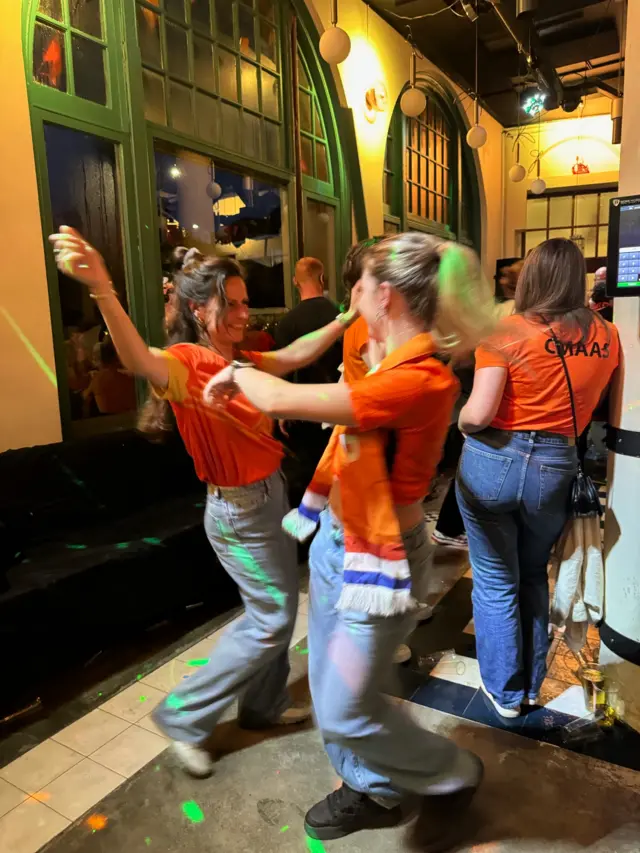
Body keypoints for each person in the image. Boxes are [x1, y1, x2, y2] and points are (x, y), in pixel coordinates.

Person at [203, 233, 495, 849]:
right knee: (332, 693)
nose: (351, 295)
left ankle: (448, 770)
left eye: (358, 285)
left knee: (343, 708)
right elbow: (292, 368)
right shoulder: (380, 350)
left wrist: (232, 372)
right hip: (342, 540)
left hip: (381, 558)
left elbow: (285, 397)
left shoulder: (419, 379)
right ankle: (373, 786)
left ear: (383, 295)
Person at [48, 225, 360, 779]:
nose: (244, 314)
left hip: (269, 498)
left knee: (279, 610)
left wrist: (346, 315)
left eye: (244, 303)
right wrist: (102, 289)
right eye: (232, 304)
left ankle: (261, 707)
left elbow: (293, 355)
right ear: (198, 306)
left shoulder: (241, 358)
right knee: (271, 616)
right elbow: (139, 361)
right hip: (237, 513)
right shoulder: (187, 361)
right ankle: (181, 714)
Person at [456, 238, 619, 720]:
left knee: (493, 578)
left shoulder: (505, 330)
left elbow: (478, 414)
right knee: (532, 573)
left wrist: (460, 419)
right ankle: (530, 685)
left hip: (493, 459)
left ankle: (504, 693)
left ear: (530, 278)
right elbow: (612, 411)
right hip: (556, 465)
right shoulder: (609, 336)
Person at [274, 257, 343, 506]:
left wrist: (282, 410)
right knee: (337, 468)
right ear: (322, 279)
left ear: (295, 282)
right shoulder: (339, 317)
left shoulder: (287, 323)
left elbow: (282, 367)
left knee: (308, 473)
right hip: (338, 405)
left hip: (302, 409)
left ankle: (308, 522)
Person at [83, 337, 136, 416]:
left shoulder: (98, 378)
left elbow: (84, 397)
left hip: (108, 421)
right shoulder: (129, 376)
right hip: (131, 418)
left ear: (101, 359)